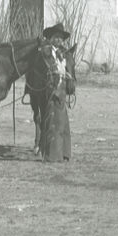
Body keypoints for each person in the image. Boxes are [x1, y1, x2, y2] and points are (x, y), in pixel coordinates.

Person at [35, 24, 75, 162]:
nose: (58, 40)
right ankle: (52, 155)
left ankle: (64, 153)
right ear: (51, 38)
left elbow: (65, 68)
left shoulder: (62, 53)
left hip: (62, 88)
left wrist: (68, 77)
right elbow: (45, 69)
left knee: (63, 122)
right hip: (51, 88)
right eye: (56, 37)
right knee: (53, 121)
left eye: (60, 38)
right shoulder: (46, 52)